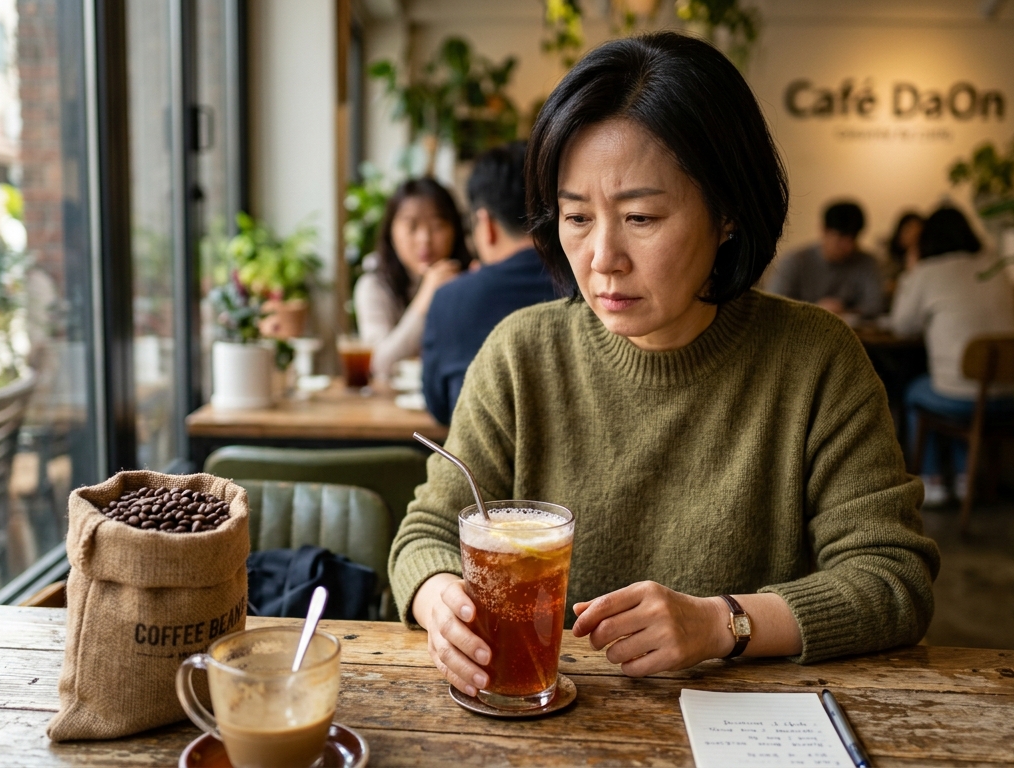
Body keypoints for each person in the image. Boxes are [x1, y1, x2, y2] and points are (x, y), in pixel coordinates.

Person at [389, 32, 939, 696]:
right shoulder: (520, 353)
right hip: (552, 723)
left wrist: (723, 624)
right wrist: (438, 597)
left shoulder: (815, 360)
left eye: (642, 216)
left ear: (728, 212)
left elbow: (891, 576)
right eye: (576, 217)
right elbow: (425, 533)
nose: (601, 258)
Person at [421, 142, 566, 425]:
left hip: (475, 468)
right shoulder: (590, 287)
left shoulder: (450, 299)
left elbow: (439, 406)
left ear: (485, 223)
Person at [888, 205, 1014, 506]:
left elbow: (901, 326)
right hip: (1013, 396)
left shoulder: (928, 272)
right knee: (958, 388)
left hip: (962, 398)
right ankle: (964, 478)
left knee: (916, 392)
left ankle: (933, 480)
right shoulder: (996, 265)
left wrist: (911, 273)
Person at [353, 179, 471, 380]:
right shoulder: (373, 286)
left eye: (437, 225)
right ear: (391, 231)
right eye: (412, 226)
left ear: (455, 230)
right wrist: (425, 297)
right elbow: (378, 364)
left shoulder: (472, 279)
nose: (424, 238)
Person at [766, 200, 885, 318]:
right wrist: (815, 310)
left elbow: (875, 305)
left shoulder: (867, 262)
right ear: (823, 230)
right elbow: (774, 304)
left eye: (852, 239)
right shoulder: (795, 261)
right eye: (840, 238)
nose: (847, 246)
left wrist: (846, 311)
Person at [885, 210, 925, 290]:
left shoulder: (926, 263)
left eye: (917, 235)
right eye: (907, 230)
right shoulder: (888, 261)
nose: (912, 236)